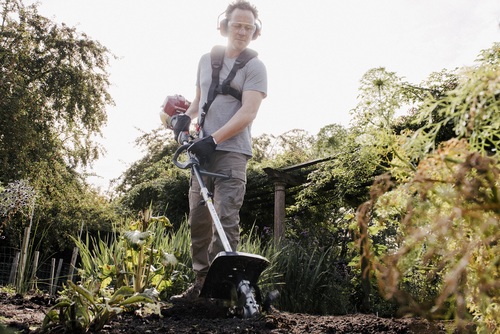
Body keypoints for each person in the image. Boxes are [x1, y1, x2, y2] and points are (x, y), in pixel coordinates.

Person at [170, 0, 267, 302]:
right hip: (202, 154)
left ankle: (225, 294)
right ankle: (201, 288)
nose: (242, 31)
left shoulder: (255, 67)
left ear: (255, 32)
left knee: (224, 219)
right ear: (224, 26)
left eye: (248, 27)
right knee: (198, 221)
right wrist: (187, 116)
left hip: (232, 154)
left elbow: (248, 112)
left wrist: (214, 139)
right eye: (237, 25)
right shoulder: (205, 60)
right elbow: (201, 100)